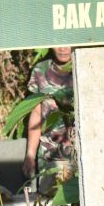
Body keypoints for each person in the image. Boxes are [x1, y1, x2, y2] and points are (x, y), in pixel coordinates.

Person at [22, 47, 75, 194]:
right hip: (49, 155)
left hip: (80, 155)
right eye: (58, 43)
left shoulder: (86, 67)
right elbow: (36, 112)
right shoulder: (41, 70)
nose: (63, 49)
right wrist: (30, 154)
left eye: (68, 43)